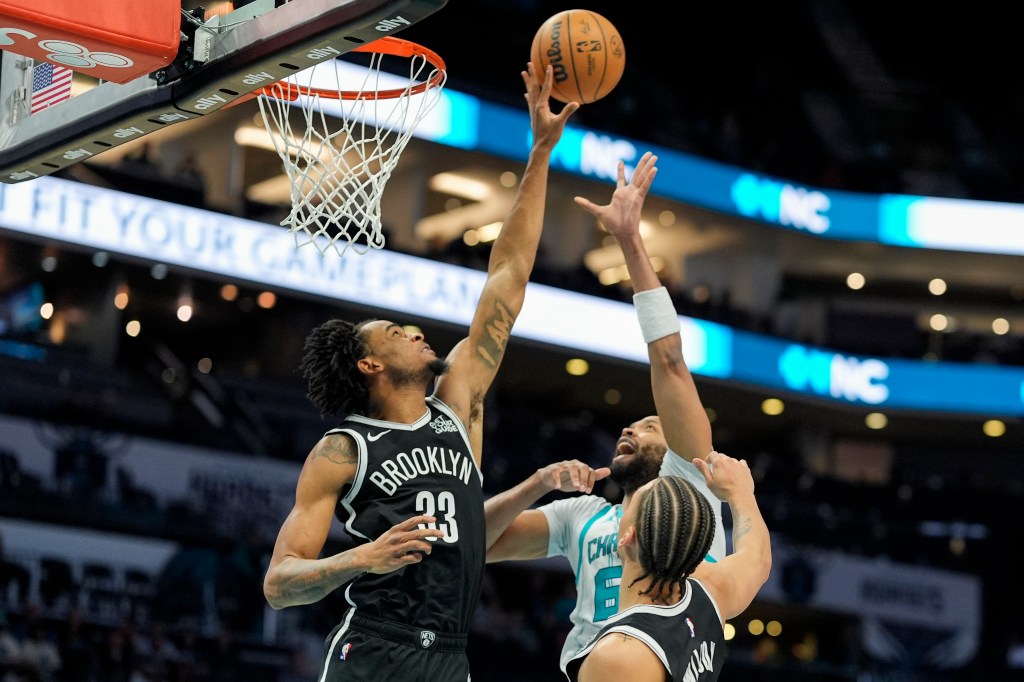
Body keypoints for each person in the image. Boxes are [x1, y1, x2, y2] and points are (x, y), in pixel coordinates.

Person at [262, 62, 578, 682]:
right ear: (371, 363)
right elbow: (280, 583)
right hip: (375, 649)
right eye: (393, 332)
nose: (412, 330)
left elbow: (506, 282)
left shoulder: (456, 405)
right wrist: (361, 558)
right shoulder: (342, 449)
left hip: (450, 656)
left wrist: (540, 152)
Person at [484, 152, 728, 675]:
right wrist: (536, 483)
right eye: (631, 424)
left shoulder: (695, 485)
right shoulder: (585, 515)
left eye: (649, 426)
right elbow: (473, 547)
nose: (629, 426)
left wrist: (629, 241)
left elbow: (669, 360)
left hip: (663, 662)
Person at [567, 453, 771, 681]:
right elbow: (758, 559)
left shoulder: (620, 655)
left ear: (627, 536)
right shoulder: (712, 590)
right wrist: (740, 493)